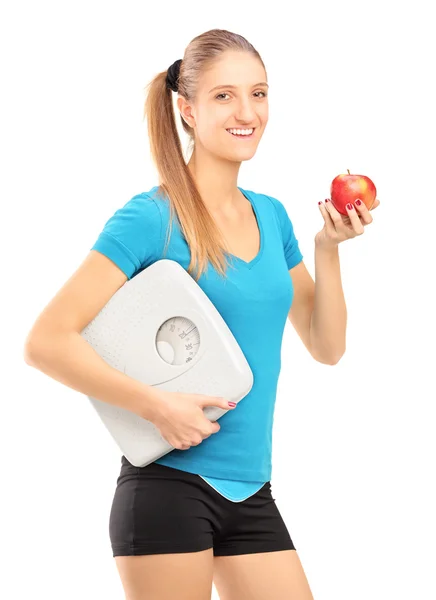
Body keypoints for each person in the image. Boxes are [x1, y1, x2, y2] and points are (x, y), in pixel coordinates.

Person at [24, 28, 379, 600]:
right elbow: (46, 341)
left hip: (252, 490)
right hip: (166, 487)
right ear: (187, 109)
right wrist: (156, 405)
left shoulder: (273, 217)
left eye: (259, 94)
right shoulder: (151, 217)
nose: (247, 112)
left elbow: (327, 346)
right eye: (224, 96)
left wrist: (328, 249)